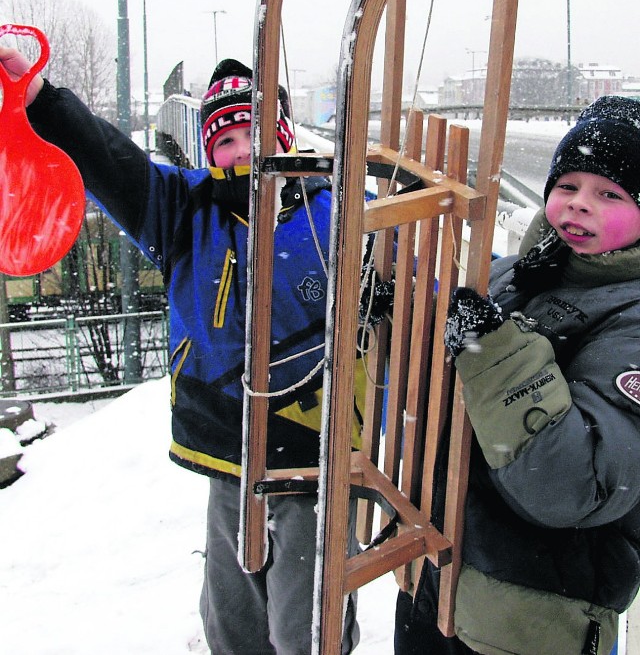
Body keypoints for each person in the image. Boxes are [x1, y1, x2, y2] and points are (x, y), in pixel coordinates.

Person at [0, 48, 365, 654]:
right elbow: (107, 160)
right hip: (227, 449)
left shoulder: (336, 210)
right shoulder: (182, 209)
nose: (245, 149)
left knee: (307, 630)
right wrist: (40, 97)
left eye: (257, 133)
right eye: (227, 139)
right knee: (232, 621)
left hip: (314, 458)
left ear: (284, 135)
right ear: (206, 151)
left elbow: (416, 281)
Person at [395, 95, 640, 655]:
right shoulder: (516, 275)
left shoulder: (631, 322)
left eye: (610, 194)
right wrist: (403, 317)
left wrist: (496, 353)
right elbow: (455, 389)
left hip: (531, 618)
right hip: (441, 572)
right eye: (567, 186)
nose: (580, 205)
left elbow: (572, 488)